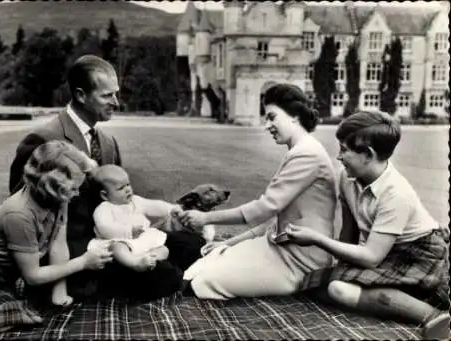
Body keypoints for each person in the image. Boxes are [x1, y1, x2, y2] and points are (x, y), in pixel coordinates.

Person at [285, 111, 450, 340]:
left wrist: (316, 239)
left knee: (337, 289)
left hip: (419, 253)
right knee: (315, 284)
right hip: (385, 251)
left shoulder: (396, 193)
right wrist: (339, 268)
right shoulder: (346, 177)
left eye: (344, 150)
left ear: (368, 154)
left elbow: (371, 257)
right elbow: (349, 231)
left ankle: (433, 317)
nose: (339, 157)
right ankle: (404, 297)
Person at [177, 83, 337, 300]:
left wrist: (205, 217)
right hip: (278, 247)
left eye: (272, 117)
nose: (267, 125)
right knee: (208, 260)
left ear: (295, 116)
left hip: (300, 261)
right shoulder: (300, 150)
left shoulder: (307, 154)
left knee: (204, 282)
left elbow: (264, 209)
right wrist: (228, 242)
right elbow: (275, 219)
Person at [0, 141, 113, 337]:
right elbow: (33, 276)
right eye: (73, 188)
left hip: (6, 272)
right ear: (52, 185)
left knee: (24, 305)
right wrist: (83, 262)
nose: (77, 192)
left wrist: (59, 293)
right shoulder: (19, 213)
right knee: (12, 314)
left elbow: (58, 243)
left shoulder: (59, 196)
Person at [9, 55, 122, 298]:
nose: (116, 102)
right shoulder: (43, 139)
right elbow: (22, 213)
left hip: (104, 240)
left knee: (174, 248)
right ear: (81, 95)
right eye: (107, 95)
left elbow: (118, 197)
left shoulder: (109, 143)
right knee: (153, 277)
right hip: (61, 253)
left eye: (116, 93)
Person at [86, 165, 203, 301]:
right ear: (104, 195)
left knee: (163, 248)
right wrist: (128, 231)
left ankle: (151, 259)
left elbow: (153, 205)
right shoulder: (104, 209)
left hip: (142, 242)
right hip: (120, 241)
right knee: (117, 247)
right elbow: (105, 228)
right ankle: (135, 263)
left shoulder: (135, 201)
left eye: (128, 184)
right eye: (120, 188)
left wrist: (171, 209)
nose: (127, 190)